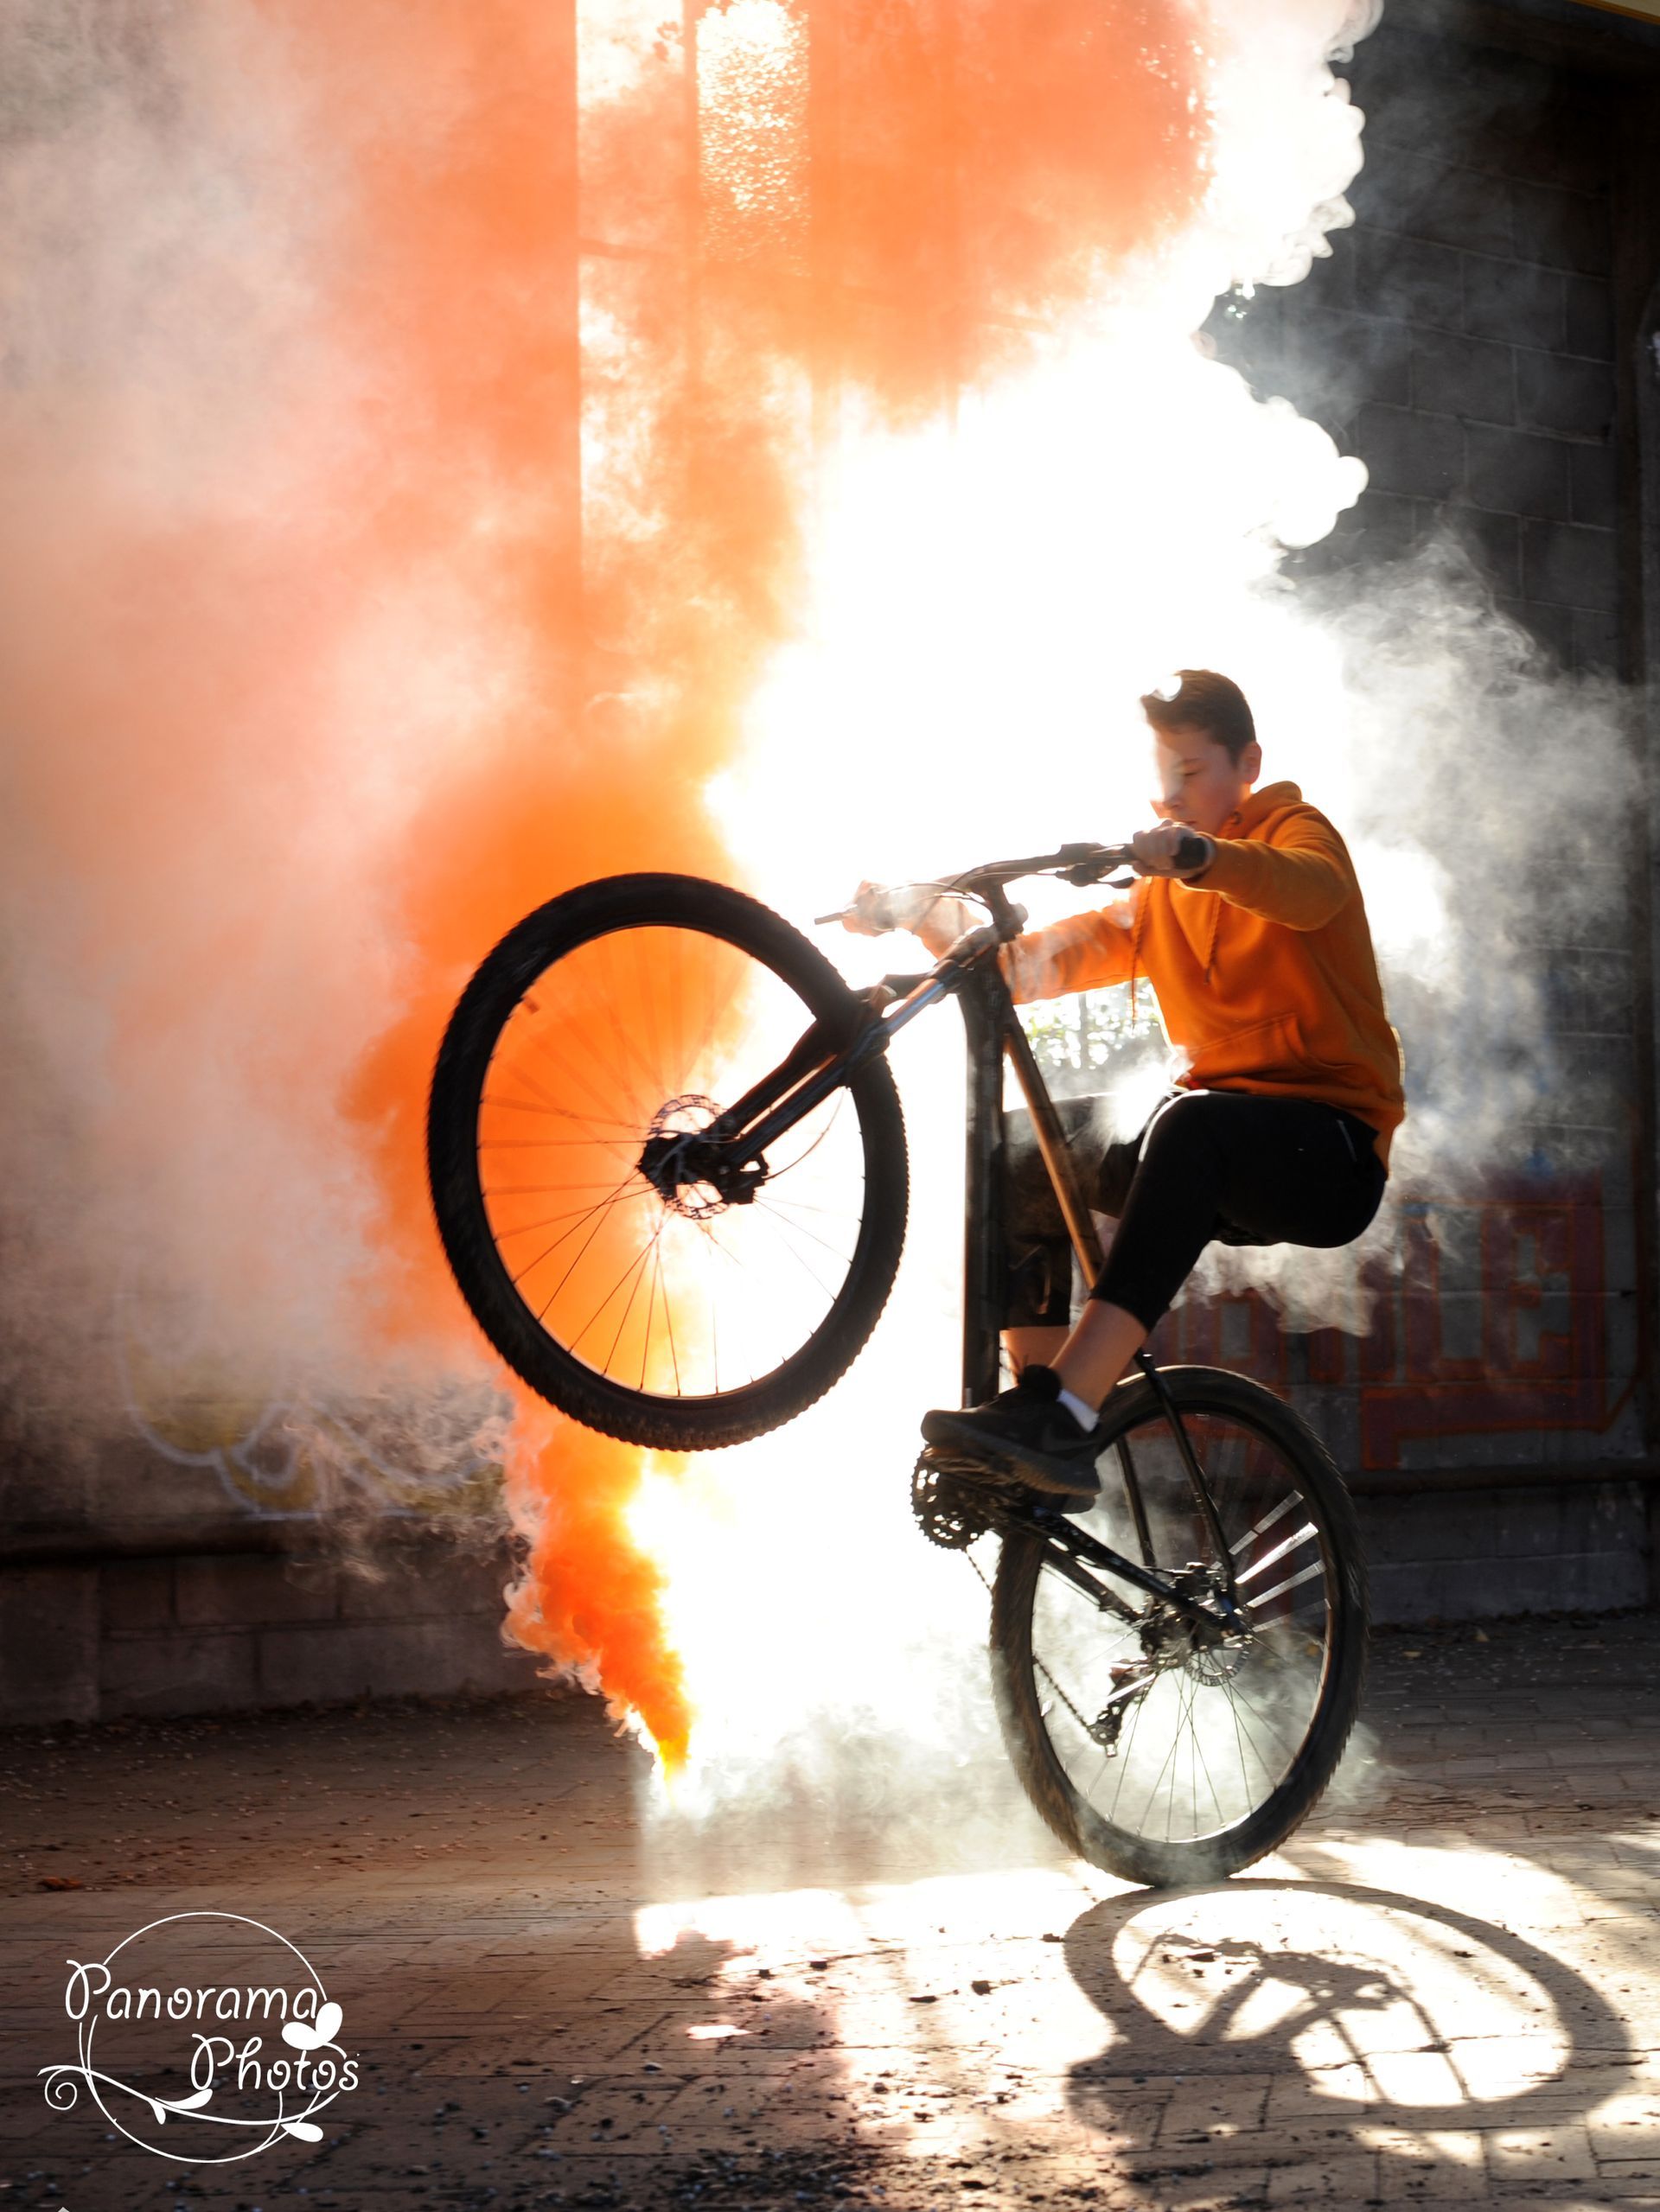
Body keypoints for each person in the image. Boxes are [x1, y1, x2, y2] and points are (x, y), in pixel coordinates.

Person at [844, 668, 1404, 1503]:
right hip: (1221, 1143)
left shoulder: (1296, 833)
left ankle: (1070, 1408)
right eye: (1163, 776)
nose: (1172, 795)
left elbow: (1305, 890)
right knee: (1019, 1152)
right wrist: (914, 910)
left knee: (1190, 1122)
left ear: (1246, 763)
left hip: (1329, 1152)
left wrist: (1204, 857)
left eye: (1193, 772)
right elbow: (1025, 965)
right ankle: (1032, 1429)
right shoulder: (1157, 899)